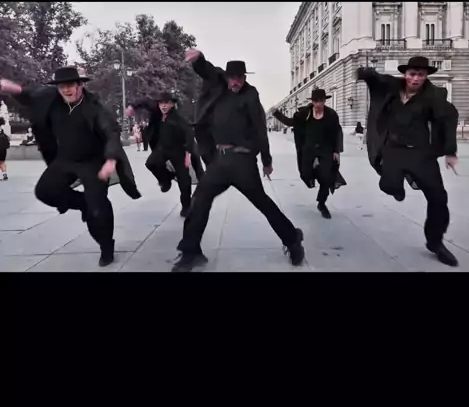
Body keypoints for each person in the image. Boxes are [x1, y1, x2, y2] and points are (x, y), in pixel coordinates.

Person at [171, 50, 305, 272]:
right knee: (199, 202)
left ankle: (292, 239)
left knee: (263, 203)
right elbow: (206, 69)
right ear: (226, 77)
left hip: (243, 161)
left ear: (244, 78)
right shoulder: (217, 86)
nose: (236, 82)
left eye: (240, 78)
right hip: (219, 162)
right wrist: (198, 58)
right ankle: (190, 252)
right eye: (233, 78)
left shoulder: (250, 95)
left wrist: (266, 160)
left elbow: (260, 128)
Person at [0, 66, 142, 266]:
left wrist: (110, 159)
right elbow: (28, 95)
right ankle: (83, 203)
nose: (66, 90)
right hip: (65, 159)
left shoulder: (94, 107)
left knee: (97, 210)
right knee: (45, 192)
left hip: (93, 162)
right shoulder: (51, 100)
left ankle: (106, 246)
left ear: (80, 86)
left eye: (70, 85)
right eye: (62, 87)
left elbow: (111, 132)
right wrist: (11, 88)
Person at [357, 55, 459, 267]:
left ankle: (436, 242)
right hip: (393, 150)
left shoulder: (434, 96)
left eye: (421, 75)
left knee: (438, 198)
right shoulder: (392, 87)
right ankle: (397, 186)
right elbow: (376, 79)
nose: (416, 79)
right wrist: (365, 74)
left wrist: (450, 151)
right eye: (412, 74)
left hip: (421, 154)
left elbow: (449, 119)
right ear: (405, 74)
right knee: (388, 185)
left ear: (426, 76)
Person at [273, 89, 346, 219]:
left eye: (320, 101)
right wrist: (276, 113)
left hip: (325, 149)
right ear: (312, 101)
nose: (318, 104)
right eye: (315, 101)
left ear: (324, 101)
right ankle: (317, 173)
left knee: (327, 178)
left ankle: (322, 203)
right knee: (305, 174)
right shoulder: (305, 114)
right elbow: (290, 122)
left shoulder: (331, 115)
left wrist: (336, 151)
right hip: (308, 149)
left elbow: (337, 133)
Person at [126, 91, 194, 217]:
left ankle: (186, 206)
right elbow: (145, 100)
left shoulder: (179, 119)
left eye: (166, 103)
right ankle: (166, 179)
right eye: (161, 103)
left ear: (172, 104)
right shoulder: (156, 110)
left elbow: (189, 134)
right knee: (151, 163)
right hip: (162, 148)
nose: (163, 106)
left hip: (178, 151)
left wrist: (188, 154)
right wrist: (132, 106)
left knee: (184, 180)